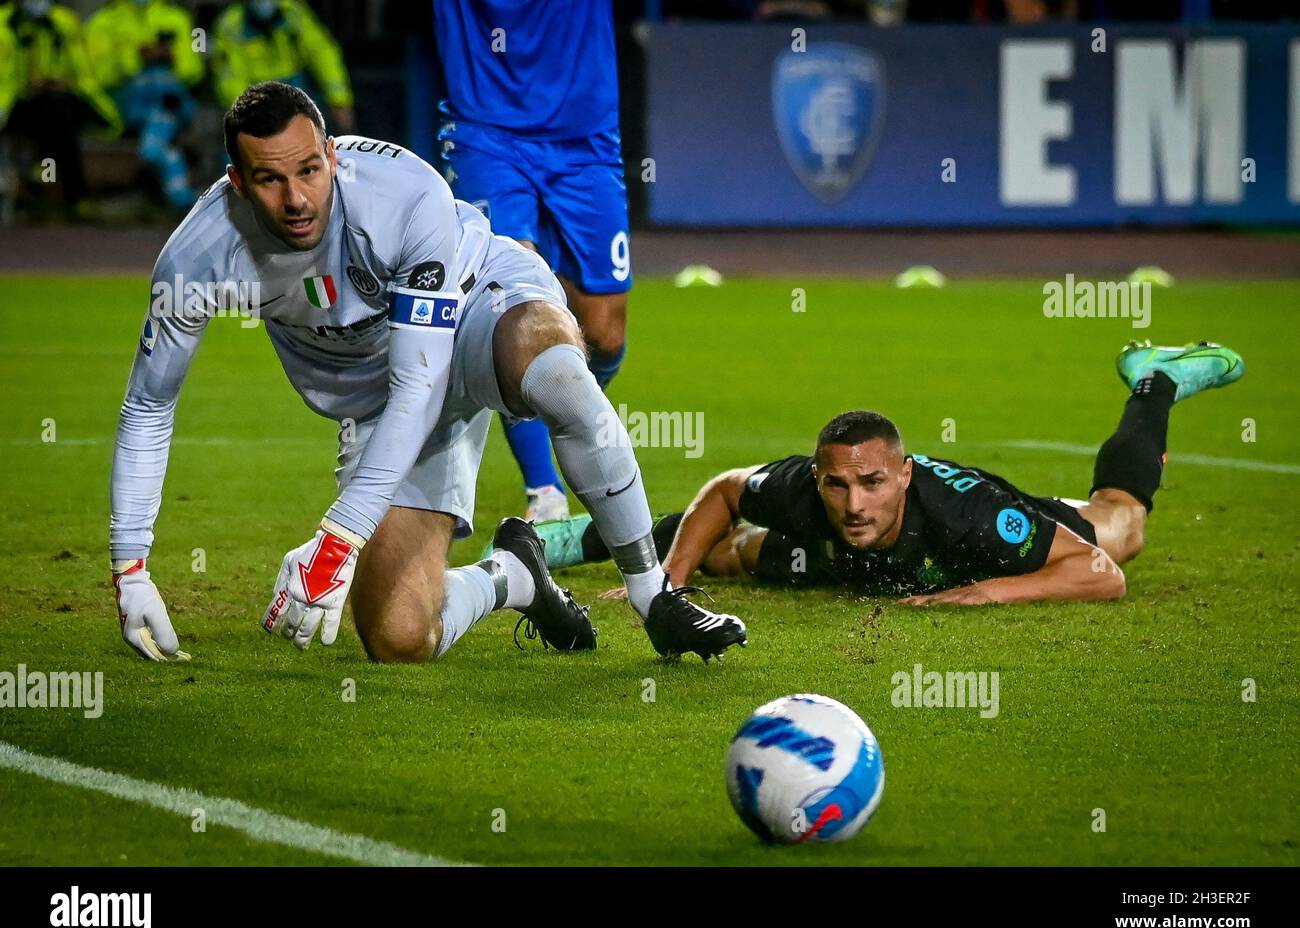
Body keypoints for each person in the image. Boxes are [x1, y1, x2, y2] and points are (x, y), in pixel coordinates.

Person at [108, 82, 746, 668]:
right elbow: (148, 405)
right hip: (382, 399)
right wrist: (130, 567)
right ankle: (513, 575)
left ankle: (652, 594)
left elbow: (424, 381)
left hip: (478, 309)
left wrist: (337, 539)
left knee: (559, 378)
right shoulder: (197, 259)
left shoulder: (402, 194)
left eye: (308, 170)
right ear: (237, 183)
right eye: (270, 180)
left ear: (331, 155)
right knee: (399, 637)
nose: (297, 198)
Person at [528, 342, 1245, 604]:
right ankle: (565, 543)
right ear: (818, 476)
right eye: (837, 484)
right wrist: (667, 586)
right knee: (714, 544)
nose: (853, 501)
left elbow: (1099, 575)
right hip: (862, 570)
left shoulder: (975, 519)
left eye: (872, 483)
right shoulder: (814, 491)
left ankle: (1155, 380)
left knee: (1122, 522)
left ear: (902, 478)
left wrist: (985, 594)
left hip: (981, 543)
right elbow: (723, 491)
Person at [433, 0, 632, 522]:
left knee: (605, 333)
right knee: (515, 306)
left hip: (585, 140)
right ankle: (544, 490)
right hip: (485, 134)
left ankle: (553, 405)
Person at [0, 0, 121, 216]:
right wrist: (28, 87)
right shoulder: (5, 22)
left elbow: (81, 69)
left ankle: (41, 176)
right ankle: (75, 196)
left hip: (60, 100)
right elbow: (5, 75)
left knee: (57, 110)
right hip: (15, 103)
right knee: (56, 119)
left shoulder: (63, 22)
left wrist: (59, 82)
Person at [86, 0, 204, 209]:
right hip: (130, 102)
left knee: (162, 88)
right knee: (164, 117)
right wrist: (137, 57)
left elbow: (193, 70)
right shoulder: (103, 23)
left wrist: (170, 57)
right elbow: (99, 74)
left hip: (170, 97)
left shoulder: (175, 18)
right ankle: (181, 198)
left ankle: (153, 150)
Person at [210, 0, 354, 132]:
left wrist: (339, 100)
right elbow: (229, 78)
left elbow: (322, 53)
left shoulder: (293, 14)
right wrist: (251, 116)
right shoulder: (230, 27)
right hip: (255, 97)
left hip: (296, 89)